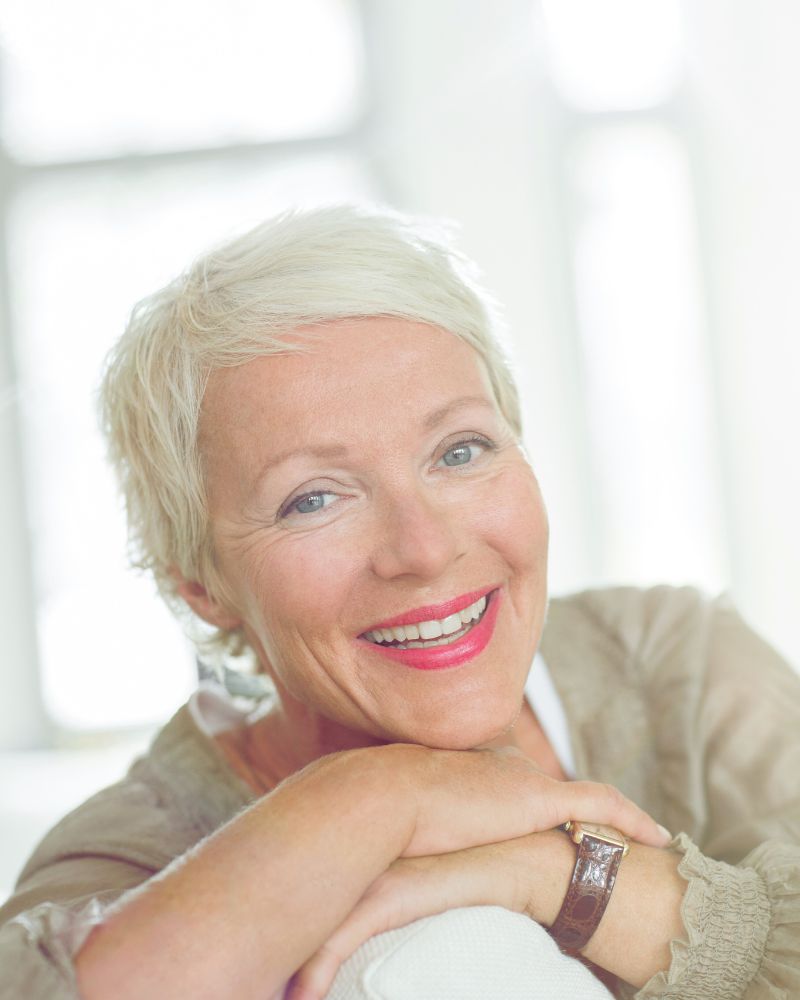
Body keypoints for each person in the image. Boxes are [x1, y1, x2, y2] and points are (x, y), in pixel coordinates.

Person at [1, 205, 798, 1000]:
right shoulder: (129, 858)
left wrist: (560, 876)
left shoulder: (671, 663)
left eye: (460, 450)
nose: (422, 549)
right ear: (201, 585)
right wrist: (372, 797)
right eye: (313, 500)